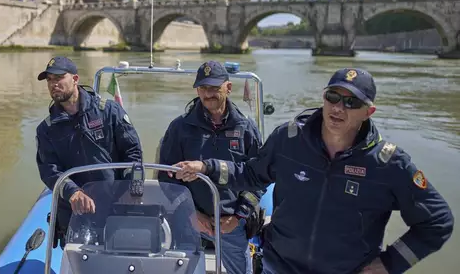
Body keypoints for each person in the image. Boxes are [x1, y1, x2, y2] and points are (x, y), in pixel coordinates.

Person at [170, 68, 454, 274]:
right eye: (333, 96)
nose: (338, 107)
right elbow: (252, 174)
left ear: (369, 111)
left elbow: (437, 222)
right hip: (278, 267)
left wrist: (391, 264)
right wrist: (205, 167)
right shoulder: (289, 140)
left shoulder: (388, 164)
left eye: (351, 102)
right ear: (323, 97)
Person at [157, 60, 267, 274]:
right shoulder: (179, 128)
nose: (208, 94)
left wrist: (238, 217)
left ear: (228, 88)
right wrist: (192, 215)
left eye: (214, 88)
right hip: (189, 219)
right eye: (203, 88)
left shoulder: (246, 129)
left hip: (231, 222)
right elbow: (166, 178)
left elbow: (259, 178)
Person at [35, 56, 143, 248]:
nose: (53, 84)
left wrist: (132, 189)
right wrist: (72, 192)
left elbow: (133, 152)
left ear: (75, 79)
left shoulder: (109, 111)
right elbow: (49, 171)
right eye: (49, 79)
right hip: (74, 211)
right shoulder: (46, 129)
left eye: (59, 77)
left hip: (114, 205)